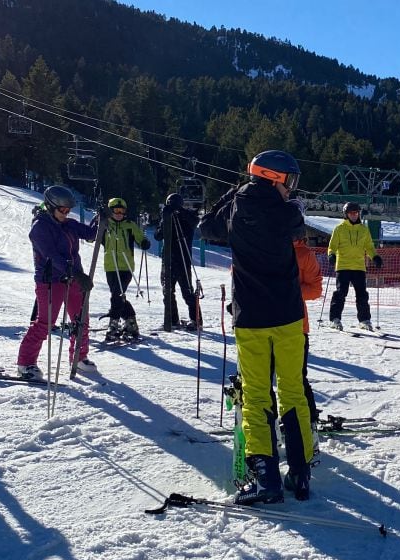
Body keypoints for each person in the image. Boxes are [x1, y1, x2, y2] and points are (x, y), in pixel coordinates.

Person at [199, 150, 313, 504]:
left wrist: (234, 192)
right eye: (288, 182)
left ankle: (267, 481)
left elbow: (207, 227)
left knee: (257, 395)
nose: (291, 190)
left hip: (250, 317)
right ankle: (300, 473)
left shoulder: (236, 207)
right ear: (274, 178)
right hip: (289, 316)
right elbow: (296, 221)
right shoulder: (288, 212)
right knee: (293, 392)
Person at [17, 185, 101, 379]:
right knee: (45, 323)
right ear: (49, 207)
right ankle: (25, 363)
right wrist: (76, 273)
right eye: (62, 210)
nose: (66, 213)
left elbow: (91, 234)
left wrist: (101, 220)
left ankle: (79, 357)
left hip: (73, 279)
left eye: (68, 210)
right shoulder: (40, 228)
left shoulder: (68, 224)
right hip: (50, 281)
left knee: (81, 320)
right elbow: (51, 256)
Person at [326, 201, 382, 331]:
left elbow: (369, 246)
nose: (354, 215)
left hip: (358, 267)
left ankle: (364, 320)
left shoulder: (364, 229)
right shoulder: (339, 229)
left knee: (362, 294)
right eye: (351, 213)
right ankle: (335, 319)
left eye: (356, 213)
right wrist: (331, 255)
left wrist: (375, 256)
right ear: (346, 214)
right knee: (340, 293)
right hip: (343, 266)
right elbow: (332, 246)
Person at [101, 197, 149, 340]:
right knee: (118, 296)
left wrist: (144, 242)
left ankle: (114, 324)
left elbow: (140, 238)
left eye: (121, 210)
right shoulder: (105, 224)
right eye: (116, 210)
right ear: (110, 211)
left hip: (125, 266)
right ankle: (130, 322)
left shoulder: (130, 225)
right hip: (110, 266)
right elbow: (91, 237)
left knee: (117, 295)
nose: (119, 213)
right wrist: (99, 220)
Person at [292, 212, 324, 429]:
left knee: (296, 377)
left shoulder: (304, 255)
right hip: (263, 322)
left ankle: (309, 418)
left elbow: (315, 290)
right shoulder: (265, 248)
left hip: (296, 324)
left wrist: (290, 290)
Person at [155, 192, 201, 329]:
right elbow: (158, 236)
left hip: (183, 258)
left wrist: (179, 211)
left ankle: (196, 319)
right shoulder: (166, 218)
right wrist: (164, 218)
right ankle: (172, 319)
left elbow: (195, 221)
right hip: (168, 260)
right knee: (167, 291)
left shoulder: (186, 217)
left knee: (187, 291)